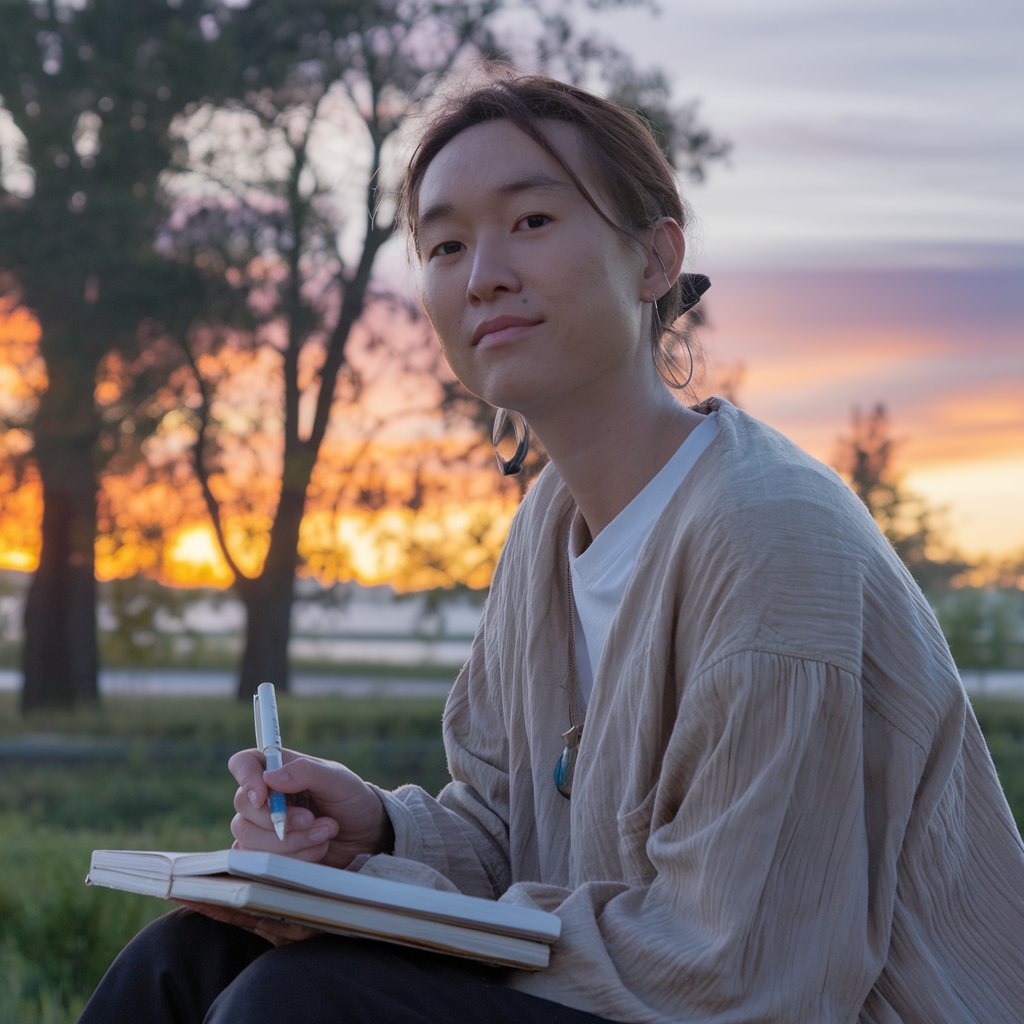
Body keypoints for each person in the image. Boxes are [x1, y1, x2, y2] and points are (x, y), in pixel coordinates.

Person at [80, 73, 1024, 1024]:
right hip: (643, 994)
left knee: (303, 1000)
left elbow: (738, 968)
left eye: (531, 221)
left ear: (656, 260)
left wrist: (397, 912)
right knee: (186, 960)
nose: (483, 271)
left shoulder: (770, 540)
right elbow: (506, 832)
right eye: (446, 244)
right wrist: (372, 831)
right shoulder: (549, 528)